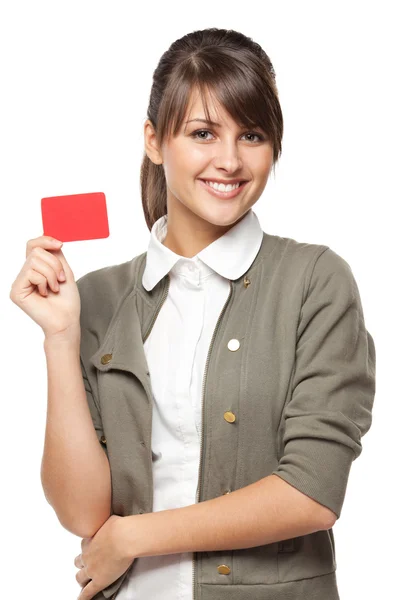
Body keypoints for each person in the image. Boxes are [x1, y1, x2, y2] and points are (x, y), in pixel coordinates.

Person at [10, 27, 376, 600]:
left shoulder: (314, 281)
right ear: (155, 141)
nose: (229, 161)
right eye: (203, 133)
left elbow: (312, 493)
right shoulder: (99, 296)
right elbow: (83, 513)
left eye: (251, 134)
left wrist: (135, 537)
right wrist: (60, 336)